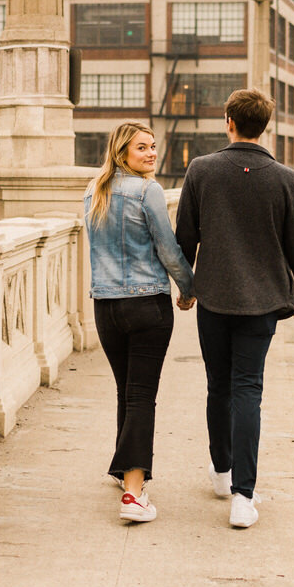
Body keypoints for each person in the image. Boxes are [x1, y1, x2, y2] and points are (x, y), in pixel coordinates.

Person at [175, 88, 294, 529]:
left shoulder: (202, 170)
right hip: (261, 302)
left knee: (218, 385)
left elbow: (185, 237)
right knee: (247, 388)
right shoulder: (287, 180)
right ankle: (243, 496)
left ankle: (222, 473)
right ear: (265, 126)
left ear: (228, 121)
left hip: (213, 298)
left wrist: (185, 287)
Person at [84, 121, 195, 523]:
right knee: (141, 394)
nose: (151, 154)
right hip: (147, 305)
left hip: (106, 308)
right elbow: (168, 249)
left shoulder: (93, 191)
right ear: (122, 153)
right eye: (141, 149)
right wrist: (189, 286)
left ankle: (122, 470)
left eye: (152, 147)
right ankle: (133, 494)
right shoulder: (148, 191)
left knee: (125, 389)